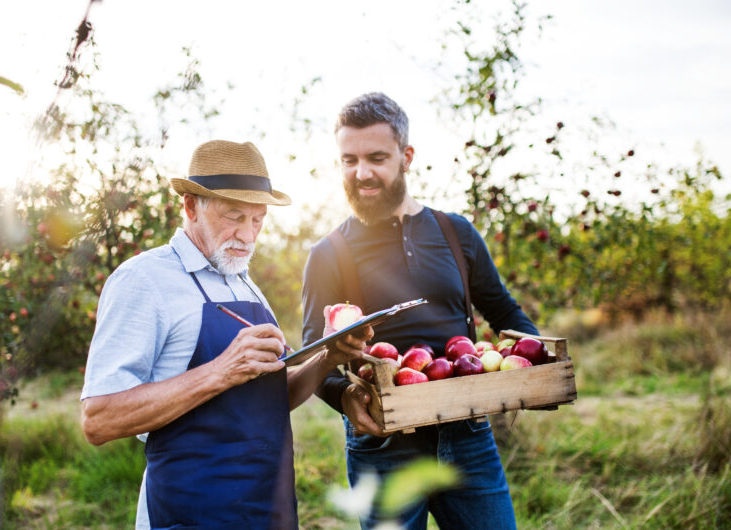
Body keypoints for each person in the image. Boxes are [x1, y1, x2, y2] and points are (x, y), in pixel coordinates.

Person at [81, 139, 371, 530]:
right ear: (190, 206)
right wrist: (220, 371)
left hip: (268, 511)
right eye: (234, 216)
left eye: (257, 220)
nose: (248, 236)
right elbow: (99, 419)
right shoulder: (143, 281)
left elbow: (271, 398)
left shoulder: (245, 285)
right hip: (189, 514)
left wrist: (328, 359)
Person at [301, 92, 539, 529]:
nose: (362, 172)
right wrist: (344, 396)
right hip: (383, 440)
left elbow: (504, 312)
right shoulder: (329, 253)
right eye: (348, 160)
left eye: (376, 157)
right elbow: (313, 352)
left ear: (406, 156)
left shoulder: (456, 233)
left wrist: (539, 357)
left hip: (466, 433)